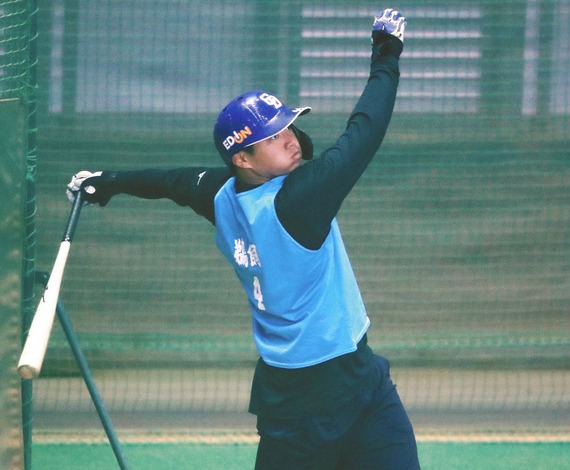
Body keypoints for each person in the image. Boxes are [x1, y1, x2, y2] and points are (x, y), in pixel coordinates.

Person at [66, 8, 419, 469]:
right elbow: (364, 132)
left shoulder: (220, 194)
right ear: (244, 159)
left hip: (352, 377)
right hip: (304, 401)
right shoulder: (300, 199)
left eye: (289, 126)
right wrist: (387, 53)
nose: (292, 139)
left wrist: (106, 181)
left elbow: (170, 181)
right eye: (275, 137)